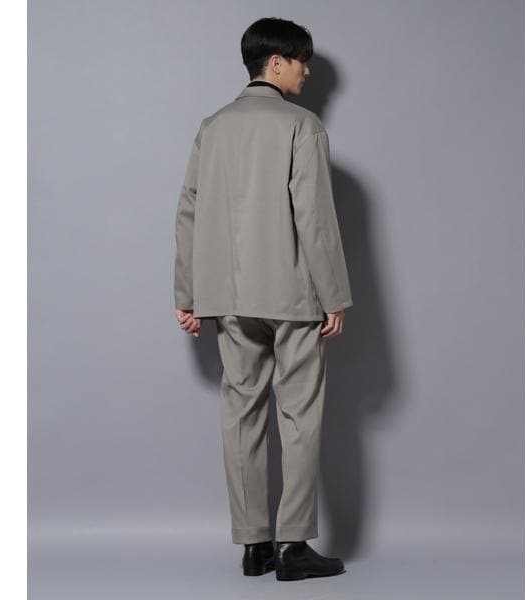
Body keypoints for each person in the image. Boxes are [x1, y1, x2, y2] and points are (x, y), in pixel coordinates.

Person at [173, 17, 353, 580]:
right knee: (298, 415)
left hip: (227, 296)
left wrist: (187, 293)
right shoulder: (302, 125)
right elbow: (315, 219)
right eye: (301, 61)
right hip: (292, 293)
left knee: (241, 412)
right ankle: (293, 546)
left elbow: (189, 211)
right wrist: (334, 295)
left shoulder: (212, 127)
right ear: (276, 62)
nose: (306, 72)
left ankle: (254, 545)